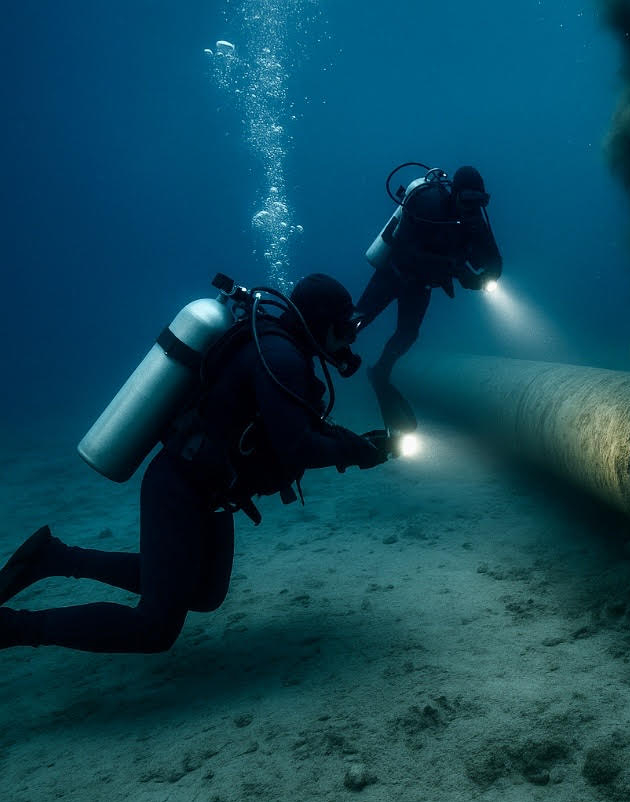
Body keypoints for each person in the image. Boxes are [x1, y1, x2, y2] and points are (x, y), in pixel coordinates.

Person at [0, 274, 389, 653]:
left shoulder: (279, 348)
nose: (351, 339)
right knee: (153, 629)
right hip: (181, 488)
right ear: (320, 322)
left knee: (203, 592)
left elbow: (290, 425)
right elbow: (297, 448)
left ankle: (55, 557)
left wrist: (354, 444)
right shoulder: (280, 356)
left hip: (208, 489)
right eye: (346, 328)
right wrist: (357, 453)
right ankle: (12, 628)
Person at [356, 165, 502, 433]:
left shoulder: (474, 222)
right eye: (467, 200)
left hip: (420, 285)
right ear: (454, 194)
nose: (471, 208)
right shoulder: (427, 204)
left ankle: (380, 373)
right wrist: (456, 269)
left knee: (408, 334)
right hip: (393, 273)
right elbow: (404, 249)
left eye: (478, 202)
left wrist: (483, 278)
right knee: (358, 321)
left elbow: (495, 262)